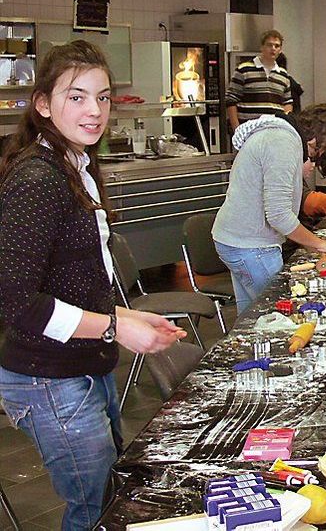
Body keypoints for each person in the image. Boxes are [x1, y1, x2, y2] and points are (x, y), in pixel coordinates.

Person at [0, 41, 186, 530]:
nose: (94, 110)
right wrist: (113, 330)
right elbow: (17, 303)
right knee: (96, 510)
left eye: (102, 97)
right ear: (43, 104)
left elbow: (73, 279)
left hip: (81, 368)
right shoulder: (37, 179)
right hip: (49, 378)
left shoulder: (75, 165)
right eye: (76, 96)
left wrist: (122, 316)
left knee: (106, 495)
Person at [213, 109, 326, 314]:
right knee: (279, 317)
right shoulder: (282, 142)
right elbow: (278, 215)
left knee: (250, 319)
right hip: (252, 246)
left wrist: (310, 243)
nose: (316, 157)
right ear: (319, 139)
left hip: (236, 239)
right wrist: (319, 243)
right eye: (319, 151)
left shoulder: (277, 135)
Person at [224, 29, 292, 131]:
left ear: (280, 50)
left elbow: (287, 103)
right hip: (248, 131)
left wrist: (284, 125)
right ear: (262, 47)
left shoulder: (283, 75)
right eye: (269, 45)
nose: (273, 49)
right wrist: (237, 129)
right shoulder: (243, 70)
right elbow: (230, 101)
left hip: (274, 131)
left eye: (277, 46)